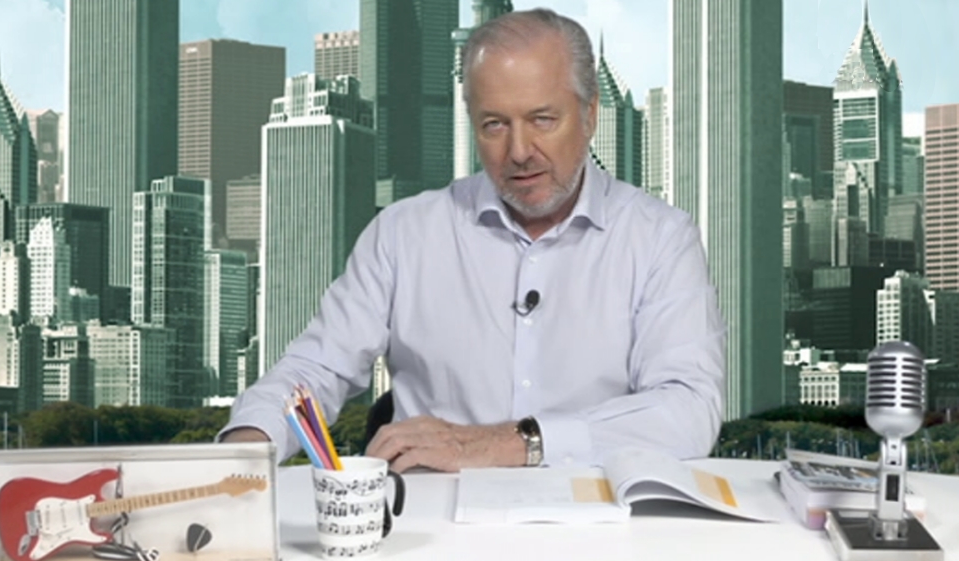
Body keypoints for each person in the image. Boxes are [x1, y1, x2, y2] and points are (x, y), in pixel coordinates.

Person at [220, 8, 726, 473]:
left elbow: (688, 410)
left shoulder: (660, 238)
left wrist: (508, 443)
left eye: (542, 120)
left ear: (590, 114)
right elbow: (314, 370)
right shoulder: (403, 233)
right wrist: (239, 454)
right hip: (426, 520)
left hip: (596, 520)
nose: (520, 151)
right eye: (495, 125)